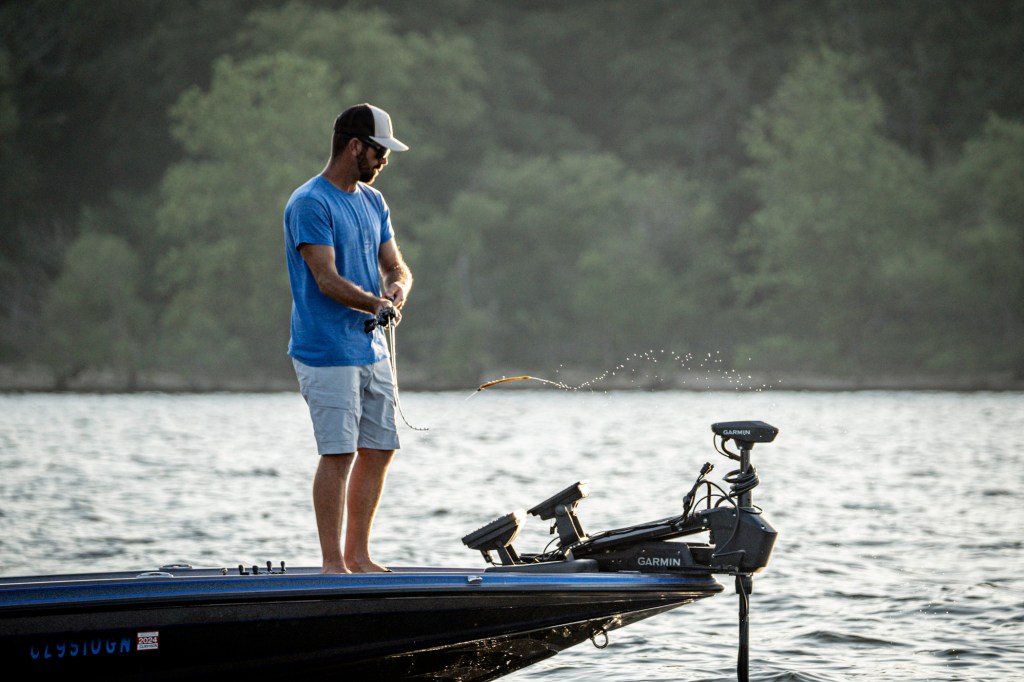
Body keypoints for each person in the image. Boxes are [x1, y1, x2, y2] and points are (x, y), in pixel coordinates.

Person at [283, 103, 413, 574]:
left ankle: (358, 557)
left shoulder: (373, 202)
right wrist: (376, 304)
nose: (384, 160)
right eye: (379, 151)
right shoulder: (310, 203)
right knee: (338, 453)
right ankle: (332, 564)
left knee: (379, 449)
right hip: (325, 351)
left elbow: (396, 266)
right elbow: (326, 279)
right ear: (355, 146)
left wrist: (397, 288)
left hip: (370, 348)